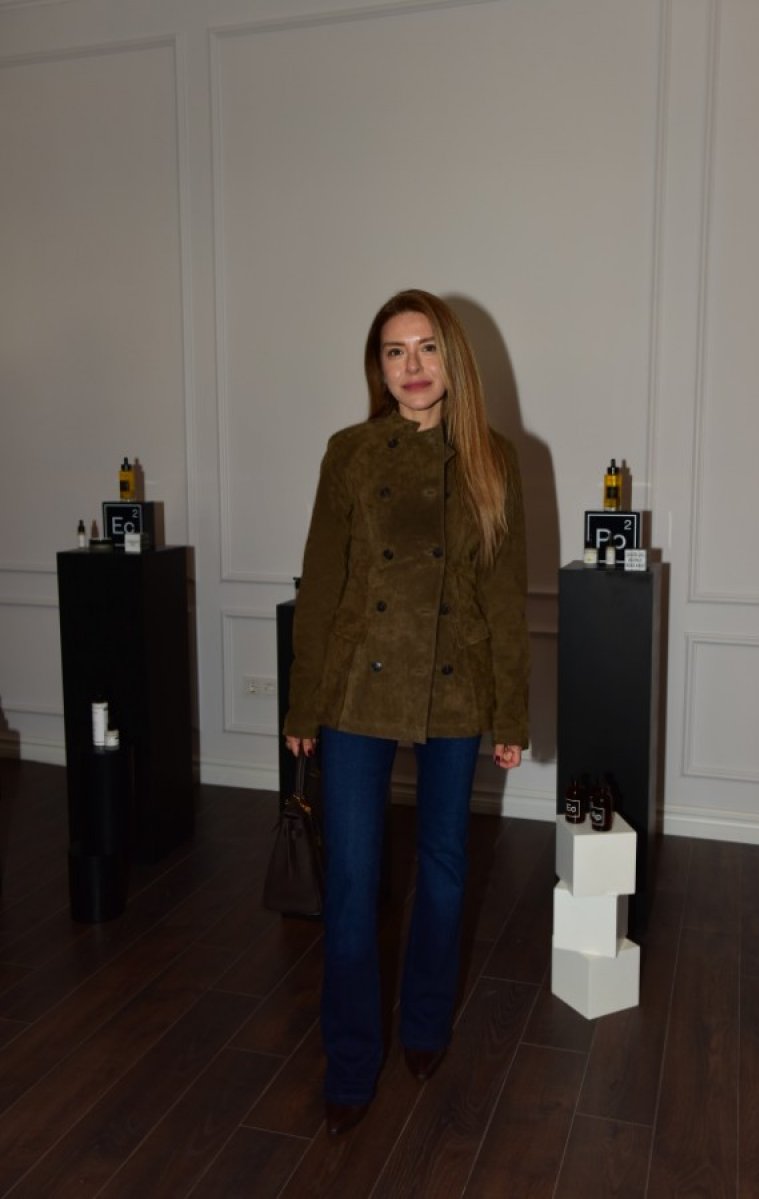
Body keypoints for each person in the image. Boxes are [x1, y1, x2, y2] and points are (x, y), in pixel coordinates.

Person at [284, 288, 529, 1136]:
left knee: (445, 865)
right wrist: (304, 700)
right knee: (353, 879)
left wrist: (510, 713)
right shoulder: (349, 453)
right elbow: (322, 584)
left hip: (455, 685)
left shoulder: (494, 458)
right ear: (378, 368)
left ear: (452, 359)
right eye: (395, 351)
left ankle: (424, 1023)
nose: (413, 366)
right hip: (358, 684)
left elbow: (504, 597)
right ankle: (352, 1060)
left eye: (426, 348)